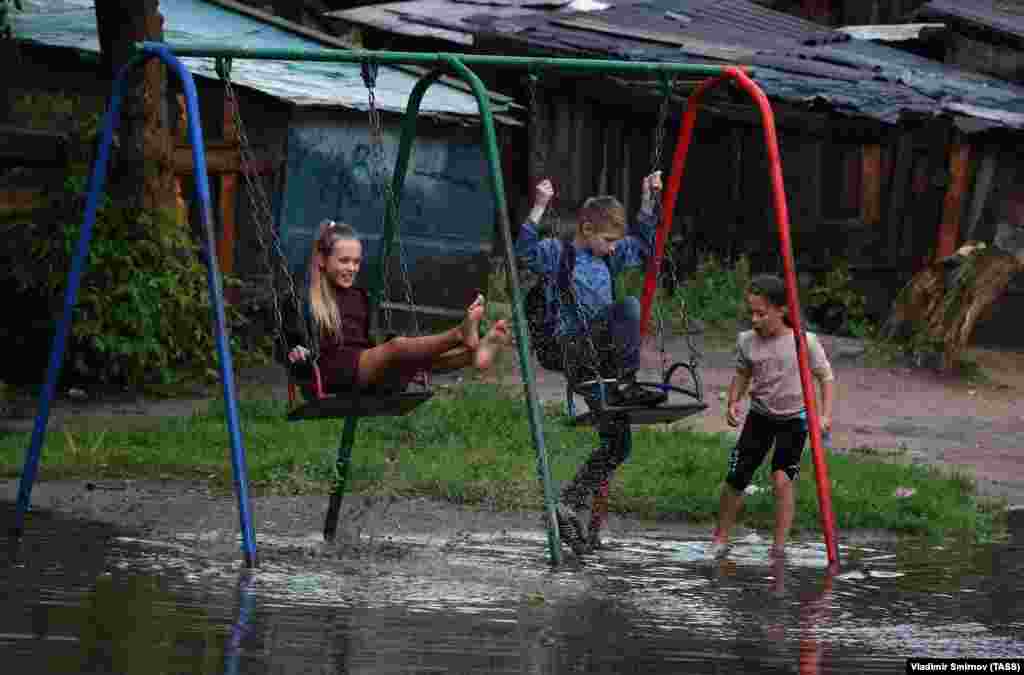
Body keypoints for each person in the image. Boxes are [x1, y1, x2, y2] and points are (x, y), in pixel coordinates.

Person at [516, 172, 663, 554]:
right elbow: (523, 252)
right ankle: (627, 380)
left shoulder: (608, 257)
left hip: (601, 359)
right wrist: (540, 205)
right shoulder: (558, 252)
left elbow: (644, 246)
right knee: (629, 305)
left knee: (619, 445)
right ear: (586, 228)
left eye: (616, 242)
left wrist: (648, 200)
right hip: (572, 345)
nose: (615, 249)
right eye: (609, 240)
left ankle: (567, 504)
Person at [286, 220, 511, 393]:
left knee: (412, 359)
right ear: (323, 261)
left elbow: (369, 340)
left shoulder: (360, 295)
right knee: (398, 347)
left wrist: (386, 350)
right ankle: (459, 333)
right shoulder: (309, 297)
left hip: (364, 365)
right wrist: (297, 353)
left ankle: (473, 355)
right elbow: (288, 344)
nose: (352, 268)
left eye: (356, 262)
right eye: (344, 261)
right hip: (332, 372)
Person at [712, 274, 835, 559]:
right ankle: (720, 537)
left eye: (761, 313)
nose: (754, 320)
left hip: (795, 419)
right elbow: (742, 374)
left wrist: (825, 415)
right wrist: (733, 401)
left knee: (782, 479)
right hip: (760, 416)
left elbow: (825, 377)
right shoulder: (747, 341)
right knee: (736, 476)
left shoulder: (804, 342)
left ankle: (778, 548)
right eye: (751, 313)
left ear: (782, 310)